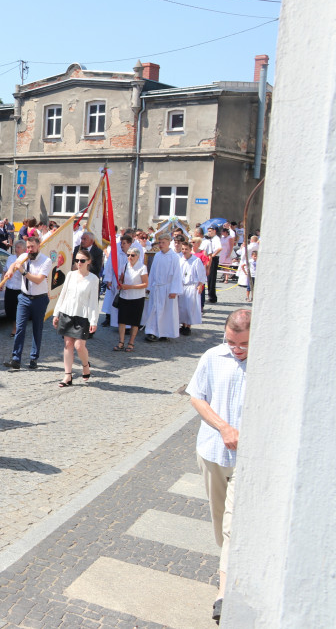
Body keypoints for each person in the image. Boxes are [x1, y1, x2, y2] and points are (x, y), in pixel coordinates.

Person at [188, 309, 250, 625]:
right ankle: (227, 565)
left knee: (232, 524)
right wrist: (223, 427)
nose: (236, 349)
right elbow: (196, 397)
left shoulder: (264, 364)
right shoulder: (213, 357)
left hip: (247, 460)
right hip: (212, 453)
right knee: (218, 521)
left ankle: (223, 593)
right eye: (231, 342)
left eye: (243, 344)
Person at [2, 235, 52, 370]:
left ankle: (34, 358)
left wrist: (23, 272)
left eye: (32, 247)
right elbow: (14, 263)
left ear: (39, 246)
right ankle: (16, 359)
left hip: (39, 299)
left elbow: (38, 280)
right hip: (24, 297)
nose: (30, 250)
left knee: (37, 329)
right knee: (20, 328)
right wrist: (11, 270)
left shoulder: (46, 261)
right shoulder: (24, 256)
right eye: (28, 247)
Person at [52, 248, 100, 386]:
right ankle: (68, 375)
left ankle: (85, 365)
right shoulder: (70, 275)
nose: (79, 263)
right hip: (67, 312)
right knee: (68, 344)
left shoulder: (93, 279)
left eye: (82, 260)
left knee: (79, 346)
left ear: (88, 262)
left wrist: (93, 320)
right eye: (77, 260)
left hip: (83, 315)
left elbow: (93, 302)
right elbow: (63, 294)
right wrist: (56, 313)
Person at [141, 237, 183, 342]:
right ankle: (152, 332)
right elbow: (153, 272)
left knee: (166, 311)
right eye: (159, 242)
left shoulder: (174, 257)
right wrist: (149, 286)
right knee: (154, 310)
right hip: (157, 287)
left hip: (167, 288)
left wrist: (174, 290)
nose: (161, 244)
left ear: (169, 243)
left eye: (163, 242)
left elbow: (177, 275)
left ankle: (165, 332)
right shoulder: (157, 255)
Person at [113, 246, 148, 352]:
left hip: (137, 297)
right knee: (122, 320)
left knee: (134, 321)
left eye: (132, 255)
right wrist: (120, 284)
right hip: (125, 295)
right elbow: (121, 279)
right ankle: (121, 342)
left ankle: (131, 342)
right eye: (128, 255)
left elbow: (145, 284)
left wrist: (130, 287)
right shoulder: (125, 265)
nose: (130, 257)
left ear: (138, 256)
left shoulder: (142, 267)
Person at [100, 234, 133, 327]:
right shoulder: (116, 254)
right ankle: (114, 321)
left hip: (128, 282)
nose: (122, 245)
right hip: (116, 280)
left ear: (130, 244)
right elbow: (110, 267)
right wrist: (109, 280)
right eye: (121, 243)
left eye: (124, 243)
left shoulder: (133, 254)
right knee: (114, 301)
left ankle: (127, 324)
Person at [178, 240, 207, 336]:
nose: (184, 251)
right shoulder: (180, 260)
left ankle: (188, 326)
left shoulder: (196, 260)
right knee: (182, 307)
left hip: (191, 286)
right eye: (182, 249)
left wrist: (200, 284)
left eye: (186, 249)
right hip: (182, 286)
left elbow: (201, 274)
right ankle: (183, 324)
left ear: (190, 249)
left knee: (190, 307)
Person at [4, 240, 26, 338]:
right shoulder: (10, 258)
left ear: (24, 249)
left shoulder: (26, 260)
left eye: (18, 247)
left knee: (18, 310)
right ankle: (16, 327)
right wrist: (2, 283)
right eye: (15, 247)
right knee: (9, 308)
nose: (16, 249)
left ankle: (16, 329)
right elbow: (4, 271)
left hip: (20, 288)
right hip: (10, 287)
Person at [203, 226, 223, 303]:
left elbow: (219, 248)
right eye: (208, 231)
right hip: (209, 257)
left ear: (214, 231)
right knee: (209, 277)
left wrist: (213, 255)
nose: (209, 232)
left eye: (210, 231)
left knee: (211, 278)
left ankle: (212, 297)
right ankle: (210, 295)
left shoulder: (216, 238)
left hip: (213, 259)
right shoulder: (210, 239)